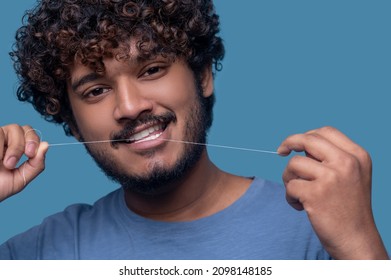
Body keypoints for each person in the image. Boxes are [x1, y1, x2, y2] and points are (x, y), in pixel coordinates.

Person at [0, 0, 388, 260]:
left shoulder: (320, 227)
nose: (131, 106)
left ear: (202, 76)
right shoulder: (44, 253)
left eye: (151, 69)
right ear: (72, 123)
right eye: (97, 90)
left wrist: (360, 246)